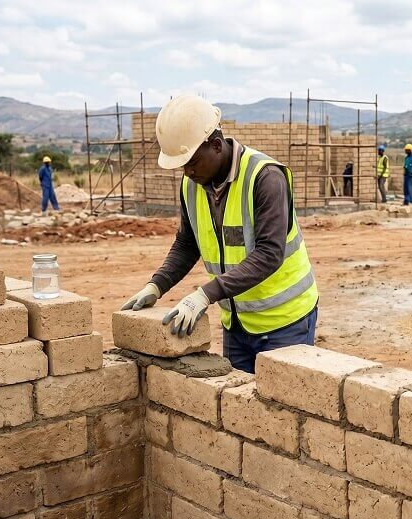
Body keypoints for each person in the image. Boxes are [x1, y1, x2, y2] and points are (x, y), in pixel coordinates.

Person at [120, 95, 318, 373]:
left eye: (191, 163)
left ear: (215, 145)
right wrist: (157, 285)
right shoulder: (192, 186)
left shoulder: (265, 177)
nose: (187, 172)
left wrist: (204, 295)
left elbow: (269, 254)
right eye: (182, 166)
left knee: (283, 409)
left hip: (285, 321)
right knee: (237, 407)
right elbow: (188, 244)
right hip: (237, 323)